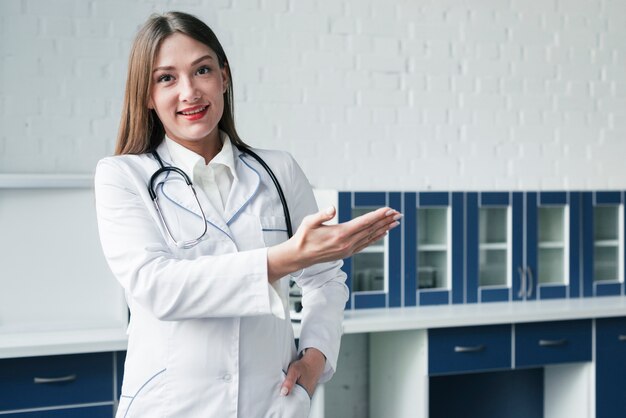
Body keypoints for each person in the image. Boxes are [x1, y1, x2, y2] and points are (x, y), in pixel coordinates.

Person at [94, 11, 401, 418]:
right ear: (148, 95)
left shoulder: (279, 171)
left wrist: (314, 362)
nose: (189, 92)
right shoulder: (122, 176)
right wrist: (285, 259)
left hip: (270, 403)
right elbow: (158, 287)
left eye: (202, 70)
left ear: (224, 77)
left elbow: (325, 279)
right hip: (171, 406)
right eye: (166, 78)